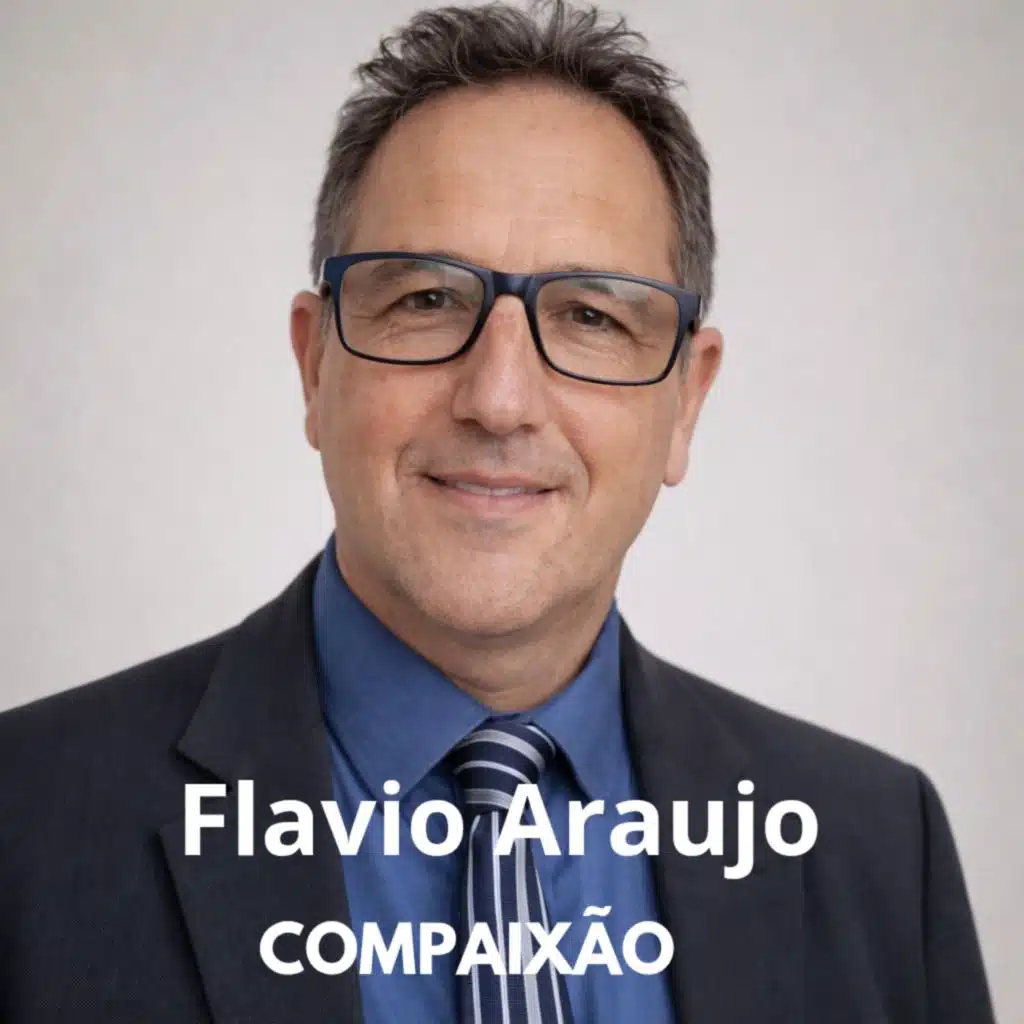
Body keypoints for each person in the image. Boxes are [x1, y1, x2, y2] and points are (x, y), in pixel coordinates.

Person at [0, 1, 995, 1021]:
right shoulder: (23, 825)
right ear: (315, 365)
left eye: (591, 315)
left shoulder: (878, 849)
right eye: (426, 301)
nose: (500, 399)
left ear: (687, 401)